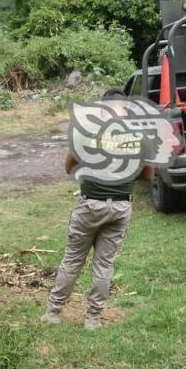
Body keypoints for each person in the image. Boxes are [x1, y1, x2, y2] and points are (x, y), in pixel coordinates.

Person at [41, 89, 155, 331]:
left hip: (90, 205)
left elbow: (68, 166)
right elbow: (149, 175)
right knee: (104, 265)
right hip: (121, 205)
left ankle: (53, 312)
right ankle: (92, 319)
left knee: (72, 260)